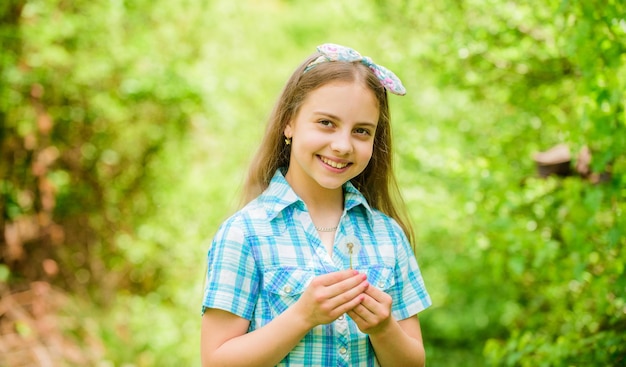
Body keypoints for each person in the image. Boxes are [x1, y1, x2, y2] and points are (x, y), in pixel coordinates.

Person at [201, 43, 431, 367]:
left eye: (361, 131)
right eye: (326, 123)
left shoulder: (387, 236)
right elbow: (216, 361)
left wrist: (383, 329)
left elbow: (413, 363)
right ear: (289, 123)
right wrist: (302, 316)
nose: (342, 145)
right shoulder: (245, 234)